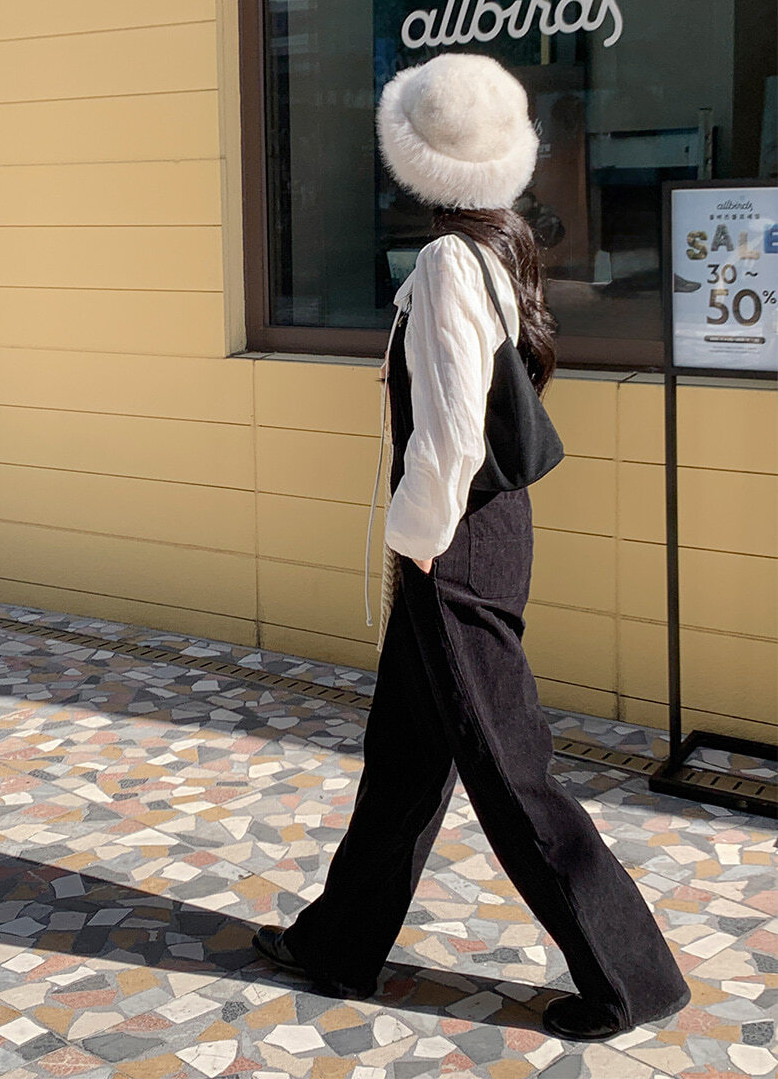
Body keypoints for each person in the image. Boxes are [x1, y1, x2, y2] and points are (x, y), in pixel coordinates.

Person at [252, 52, 691, 1042]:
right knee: (404, 756)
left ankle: (635, 978)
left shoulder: (452, 261)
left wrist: (417, 539)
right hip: (479, 531)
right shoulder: (501, 244)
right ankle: (339, 943)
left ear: (414, 157)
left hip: (453, 542)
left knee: (510, 768)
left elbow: (451, 429)